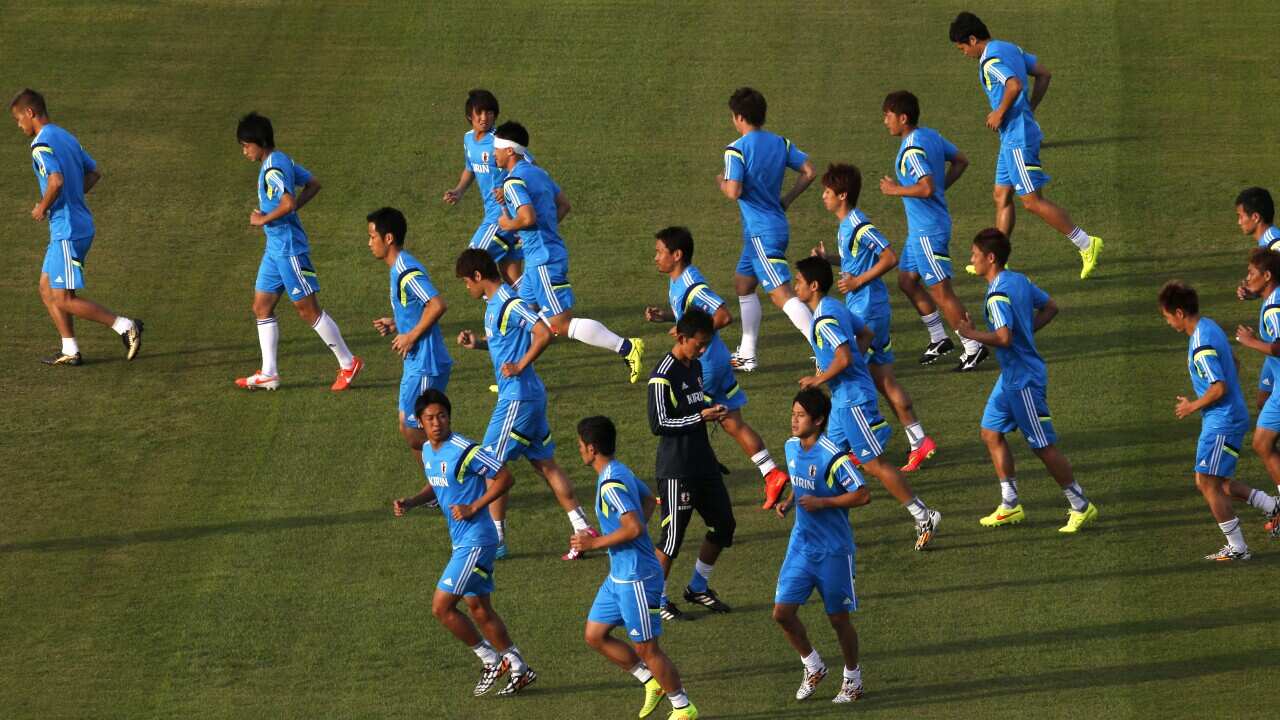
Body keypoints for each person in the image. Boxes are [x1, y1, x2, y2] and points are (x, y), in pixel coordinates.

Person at [454, 248, 600, 560]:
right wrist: (478, 344)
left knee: (490, 465)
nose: (467, 288)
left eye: (467, 282)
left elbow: (544, 332)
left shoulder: (510, 302)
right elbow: (506, 344)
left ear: (478, 276)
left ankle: (495, 540)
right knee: (545, 464)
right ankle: (583, 528)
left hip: (517, 398)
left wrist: (519, 366)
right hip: (528, 395)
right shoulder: (495, 305)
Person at [792, 257, 941, 550]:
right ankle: (822, 527)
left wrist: (819, 379)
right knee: (825, 457)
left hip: (852, 400)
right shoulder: (834, 306)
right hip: (844, 398)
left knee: (875, 464)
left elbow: (845, 357)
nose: (794, 285)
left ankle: (923, 514)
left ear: (813, 285)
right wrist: (846, 366)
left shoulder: (824, 319)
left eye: (798, 280)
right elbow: (866, 334)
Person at [397, 389, 537, 695]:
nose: (437, 422)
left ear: (449, 417)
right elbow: (436, 485)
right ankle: (519, 667)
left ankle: (490, 659)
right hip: (462, 541)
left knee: (442, 607)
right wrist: (411, 502)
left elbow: (505, 478)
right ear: (420, 422)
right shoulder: (430, 451)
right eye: (430, 418)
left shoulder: (465, 449)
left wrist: (474, 507)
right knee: (479, 608)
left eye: (442, 416)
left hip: (478, 540)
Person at [957, 230, 1098, 533]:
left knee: (1043, 446)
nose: (971, 260)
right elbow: (1051, 307)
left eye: (974, 254)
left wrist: (972, 336)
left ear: (990, 258)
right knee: (990, 432)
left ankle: (1080, 505)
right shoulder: (1018, 280)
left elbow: (1004, 338)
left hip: (1023, 381)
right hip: (1011, 378)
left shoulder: (997, 295)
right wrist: (1027, 333)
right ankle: (1010, 504)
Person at [643, 226, 791, 509]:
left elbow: (723, 315)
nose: (655, 257)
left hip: (704, 367)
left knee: (684, 421)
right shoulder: (678, 282)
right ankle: (772, 473)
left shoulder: (692, 283)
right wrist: (668, 318)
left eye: (660, 252)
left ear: (677, 254)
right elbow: (693, 316)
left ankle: (678, 481)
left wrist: (693, 333)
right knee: (732, 421)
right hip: (717, 362)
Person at [949, 11, 1103, 279]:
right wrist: (1029, 109)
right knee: (1001, 195)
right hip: (1012, 136)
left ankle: (1086, 243)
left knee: (1031, 201)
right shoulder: (1009, 48)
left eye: (963, 47)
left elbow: (1014, 85)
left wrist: (1000, 112)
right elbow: (1043, 74)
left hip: (1017, 138)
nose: (964, 54)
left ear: (973, 39)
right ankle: (994, 262)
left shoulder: (990, 61)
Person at [493, 121, 645, 382]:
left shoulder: (513, 181)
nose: (492, 154)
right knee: (522, 317)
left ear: (509, 151)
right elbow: (563, 205)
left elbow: (527, 217)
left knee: (560, 324)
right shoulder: (537, 173)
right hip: (539, 258)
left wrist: (510, 224)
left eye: (496, 148)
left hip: (542, 261)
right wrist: (540, 229)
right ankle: (516, 377)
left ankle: (627, 347)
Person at [571, 416, 700, 720]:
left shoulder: (610, 484)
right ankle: (650, 682)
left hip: (637, 578)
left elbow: (633, 528)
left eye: (580, 446)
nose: (579, 451)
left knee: (647, 648)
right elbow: (649, 501)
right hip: (619, 576)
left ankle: (683, 707)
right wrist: (618, 537)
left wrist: (596, 543)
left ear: (591, 449)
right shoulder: (619, 471)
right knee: (595, 634)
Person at [813, 163, 938, 471]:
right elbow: (858, 259)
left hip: (866, 308)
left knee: (849, 372)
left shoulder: (858, 224)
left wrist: (857, 282)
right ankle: (919, 441)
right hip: (867, 306)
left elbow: (889, 256)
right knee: (883, 379)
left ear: (842, 195)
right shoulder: (846, 226)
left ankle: (872, 429)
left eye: (827, 192)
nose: (823, 198)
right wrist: (830, 259)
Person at [10, 88, 143, 365]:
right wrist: (73, 196)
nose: (19, 125)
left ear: (30, 113)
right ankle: (70, 349)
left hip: (68, 230)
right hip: (72, 226)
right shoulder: (65, 136)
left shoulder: (39, 145)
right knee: (47, 289)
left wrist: (42, 207)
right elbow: (93, 172)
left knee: (64, 298)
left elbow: (55, 181)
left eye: (18, 119)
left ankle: (125, 326)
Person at [234, 111, 361, 391]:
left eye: (246, 145)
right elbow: (313, 183)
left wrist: (263, 219)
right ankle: (269, 372)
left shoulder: (273, 169)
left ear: (259, 141)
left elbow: (288, 202)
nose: (244, 151)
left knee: (308, 310)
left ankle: (348, 362)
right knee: (261, 306)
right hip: (275, 249)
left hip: (289, 249)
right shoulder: (280, 159)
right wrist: (281, 217)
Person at [1160, 281, 1280, 560]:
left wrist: (1192, 406)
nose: (1167, 322)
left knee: (1206, 482)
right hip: (1228, 415)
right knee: (1218, 481)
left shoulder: (1200, 343)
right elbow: (1234, 363)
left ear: (1179, 313)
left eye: (1166, 316)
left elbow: (1219, 387)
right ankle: (1270, 505)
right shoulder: (1209, 326)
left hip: (1221, 420)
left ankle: (1238, 547)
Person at [772, 388, 869, 705]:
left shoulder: (833, 455)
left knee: (838, 620)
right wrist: (789, 502)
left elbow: (862, 494)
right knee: (782, 614)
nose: (794, 420)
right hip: (801, 546)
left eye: (800, 415)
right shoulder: (790, 446)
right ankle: (813, 666)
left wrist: (824, 502)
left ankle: (853, 679)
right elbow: (798, 478)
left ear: (819, 420)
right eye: (793, 413)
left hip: (834, 551)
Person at [878, 91, 988, 371]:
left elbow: (926, 186)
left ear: (903, 118)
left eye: (888, 115)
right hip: (920, 231)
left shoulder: (911, 151)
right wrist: (940, 189)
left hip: (928, 232)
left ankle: (973, 347)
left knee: (941, 291)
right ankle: (939, 338)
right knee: (907, 281)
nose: (885, 121)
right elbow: (961, 160)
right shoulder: (930, 135)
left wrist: (895, 190)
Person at [717, 87, 816, 372]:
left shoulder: (736, 149)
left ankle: (826, 348)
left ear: (738, 117)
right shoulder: (780, 143)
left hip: (762, 232)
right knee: (743, 283)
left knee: (780, 293)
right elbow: (809, 170)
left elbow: (734, 191)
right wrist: (785, 199)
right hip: (766, 229)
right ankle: (747, 354)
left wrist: (720, 182)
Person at [647, 310, 736, 620]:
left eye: (706, 344)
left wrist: (711, 410)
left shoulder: (696, 367)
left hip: (704, 464)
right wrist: (700, 416)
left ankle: (698, 586)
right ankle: (655, 599)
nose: (702, 350)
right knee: (672, 538)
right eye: (699, 344)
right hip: (677, 470)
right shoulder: (662, 375)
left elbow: (694, 407)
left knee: (724, 525)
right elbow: (658, 423)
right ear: (682, 338)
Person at [364, 207, 452, 494]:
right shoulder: (398, 269)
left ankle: (452, 478)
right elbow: (415, 308)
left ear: (388, 238)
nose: (370, 242)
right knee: (411, 426)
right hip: (416, 361)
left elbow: (437, 304)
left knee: (418, 429)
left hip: (426, 361)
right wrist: (397, 324)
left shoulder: (406, 270)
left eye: (372, 236)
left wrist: (411, 335)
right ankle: (438, 487)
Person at [442, 89, 524, 287]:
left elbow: (527, 166)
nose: (484, 118)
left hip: (503, 215)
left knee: (473, 264)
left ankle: (503, 310)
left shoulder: (501, 141)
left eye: (489, 113)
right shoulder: (468, 140)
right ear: (469, 116)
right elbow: (470, 167)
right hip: (494, 214)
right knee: (513, 278)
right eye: (479, 113)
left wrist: (507, 189)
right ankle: (540, 315)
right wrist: (459, 190)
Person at [1230, 249, 1280, 539]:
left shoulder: (1274, 308)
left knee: (1262, 443)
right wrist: (1253, 293)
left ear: (1267, 276)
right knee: (1264, 429)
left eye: (1252, 273)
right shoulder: (1272, 299)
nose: (1247, 277)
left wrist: (1250, 341)